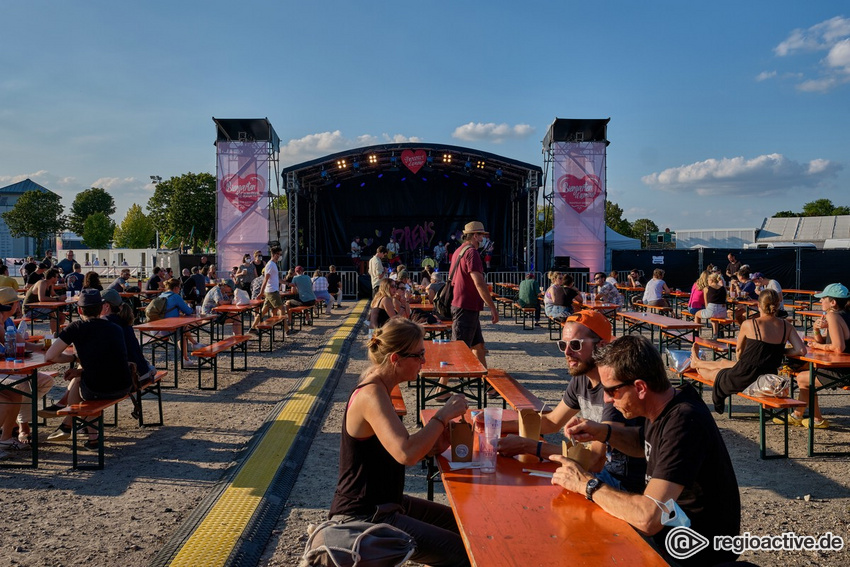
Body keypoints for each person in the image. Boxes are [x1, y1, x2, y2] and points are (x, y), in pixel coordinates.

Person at [553, 335, 741, 566]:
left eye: (611, 391)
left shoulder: (683, 420)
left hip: (694, 553)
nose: (607, 399)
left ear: (640, 387)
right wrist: (602, 432)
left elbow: (650, 516)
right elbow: (642, 445)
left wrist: (587, 484)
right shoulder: (666, 402)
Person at [329, 318, 470, 567]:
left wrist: (436, 444)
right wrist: (441, 416)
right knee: (461, 552)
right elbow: (406, 454)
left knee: (463, 525)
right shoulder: (372, 394)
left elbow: (394, 448)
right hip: (365, 514)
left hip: (387, 502)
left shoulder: (380, 385)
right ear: (396, 359)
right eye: (419, 355)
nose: (424, 362)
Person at [496, 310, 646, 493]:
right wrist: (497, 424)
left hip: (620, 483)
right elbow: (551, 422)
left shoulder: (615, 387)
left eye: (575, 345)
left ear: (602, 346)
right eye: (563, 345)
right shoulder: (582, 377)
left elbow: (594, 460)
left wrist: (526, 446)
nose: (567, 352)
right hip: (594, 475)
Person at [690, 289, 806, 414]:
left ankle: (697, 364)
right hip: (767, 373)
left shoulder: (750, 323)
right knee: (723, 362)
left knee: (715, 375)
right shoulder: (786, 326)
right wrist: (779, 351)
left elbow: (739, 351)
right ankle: (696, 362)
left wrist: (743, 362)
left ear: (759, 305)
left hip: (746, 375)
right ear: (777, 305)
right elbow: (801, 350)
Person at [44, 289, 133, 448]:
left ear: (79, 310)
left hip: (98, 389)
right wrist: (78, 365)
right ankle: (90, 436)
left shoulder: (76, 327)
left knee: (82, 383)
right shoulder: (115, 328)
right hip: (124, 385)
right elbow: (108, 362)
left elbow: (50, 356)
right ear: (101, 308)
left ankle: (68, 424)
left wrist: (72, 359)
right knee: (88, 381)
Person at [779, 283, 850, 429]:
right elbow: (830, 342)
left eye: (823, 298)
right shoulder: (844, 314)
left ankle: (814, 419)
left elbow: (838, 347)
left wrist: (817, 346)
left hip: (842, 370)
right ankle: (802, 416)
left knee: (802, 378)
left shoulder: (833, 316)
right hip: (843, 366)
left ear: (833, 302)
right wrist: (817, 330)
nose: (820, 301)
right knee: (805, 376)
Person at [0, 287, 52, 453]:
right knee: (21, 388)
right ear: (11, 305)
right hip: (5, 369)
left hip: (11, 367)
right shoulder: (1, 322)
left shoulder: (8, 321)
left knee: (44, 380)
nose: (19, 304)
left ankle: (16, 423)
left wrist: (41, 347)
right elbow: (12, 345)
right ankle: (20, 428)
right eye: (17, 302)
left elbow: (20, 343)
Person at [449, 221, 499, 368]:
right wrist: (492, 307)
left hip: (464, 305)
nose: (483, 239)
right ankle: (442, 387)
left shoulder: (459, 251)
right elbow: (479, 283)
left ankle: (486, 382)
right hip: (465, 306)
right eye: (481, 235)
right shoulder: (472, 253)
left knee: (479, 347)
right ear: (475, 236)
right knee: (457, 349)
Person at [101, 289, 156, 383]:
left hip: (131, 375)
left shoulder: (105, 323)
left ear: (106, 306)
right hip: (142, 370)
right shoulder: (123, 320)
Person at [160, 278, 205, 366]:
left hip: (157, 328)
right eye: (179, 288)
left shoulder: (161, 295)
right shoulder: (175, 296)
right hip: (169, 328)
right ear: (176, 288)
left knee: (184, 328)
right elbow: (188, 311)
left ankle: (194, 345)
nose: (180, 289)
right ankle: (186, 358)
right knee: (183, 332)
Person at [248, 246, 286, 336]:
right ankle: (287, 330)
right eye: (279, 254)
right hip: (271, 291)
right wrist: (261, 292)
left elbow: (276, 278)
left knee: (263, 311)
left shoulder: (273, 264)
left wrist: (287, 283)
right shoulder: (270, 265)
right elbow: (266, 279)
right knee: (282, 308)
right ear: (274, 254)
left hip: (272, 290)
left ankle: (252, 328)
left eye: (281, 254)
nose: (280, 256)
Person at [23, 268, 65, 336]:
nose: (58, 279)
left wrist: (62, 297)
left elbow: (54, 295)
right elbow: (41, 298)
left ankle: (58, 334)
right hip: (30, 310)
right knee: (53, 313)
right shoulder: (42, 283)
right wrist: (58, 299)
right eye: (57, 277)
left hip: (40, 307)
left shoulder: (50, 284)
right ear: (52, 277)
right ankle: (54, 336)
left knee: (62, 316)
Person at [695, 272, 728, 337]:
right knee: (714, 317)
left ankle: (696, 333)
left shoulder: (706, 288)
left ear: (711, 280)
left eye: (708, 280)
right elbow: (725, 300)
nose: (708, 281)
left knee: (697, 314)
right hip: (723, 312)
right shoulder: (723, 288)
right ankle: (716, 334)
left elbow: (706, 303)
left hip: (712, 310)